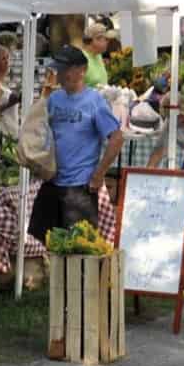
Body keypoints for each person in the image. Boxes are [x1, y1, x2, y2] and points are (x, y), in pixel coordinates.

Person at [28, 46, 124, 239]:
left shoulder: (94, 101)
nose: (60, 75)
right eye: (59, 69)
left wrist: (98, 175)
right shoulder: (54, 99)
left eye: (64, 69)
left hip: (80, 188)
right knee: (42, 243)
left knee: (77, 249)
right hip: (52, 183)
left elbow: (117, 138)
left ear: (81, 70)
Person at [81, 21, 112, 89]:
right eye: (105, 39)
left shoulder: (98, 56)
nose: (107, 42)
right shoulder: (81, 59)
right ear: (94, 40)